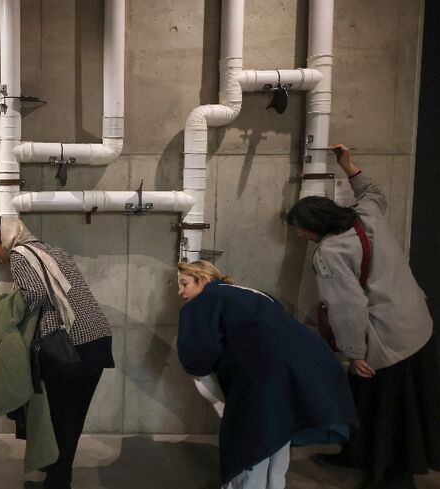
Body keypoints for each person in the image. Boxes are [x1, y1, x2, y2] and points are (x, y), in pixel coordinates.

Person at [287, 144, 440, 488]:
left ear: (315, 228)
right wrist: (349, 166)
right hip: (417, 325)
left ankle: (388, 475)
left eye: (300, 229)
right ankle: (356, 455)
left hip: (386, 341)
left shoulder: (330, 252)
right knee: (384, 405)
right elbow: (373, 192)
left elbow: (347, 307)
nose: (300, 235)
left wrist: (355, 354)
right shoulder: (365, 215)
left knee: (387, 413)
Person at [176, 260, 358, 489]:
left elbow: (196, 358)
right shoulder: (252, 294)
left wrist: (220, 400)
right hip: (311, 359)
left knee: (248, 444)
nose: (181, 292)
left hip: (265, 374)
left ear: (202, 279)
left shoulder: (203, 302)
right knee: (276, 434)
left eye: (184, 284)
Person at [0, 216, 114, 489]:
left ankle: (58, 482)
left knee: (59, 418)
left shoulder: (20, 255)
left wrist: (6, 311)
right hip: (97, 338)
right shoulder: (52, 250)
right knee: (72, 417)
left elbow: (33, 295)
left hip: (68, 346)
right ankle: (57, 473)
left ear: (6, 240)